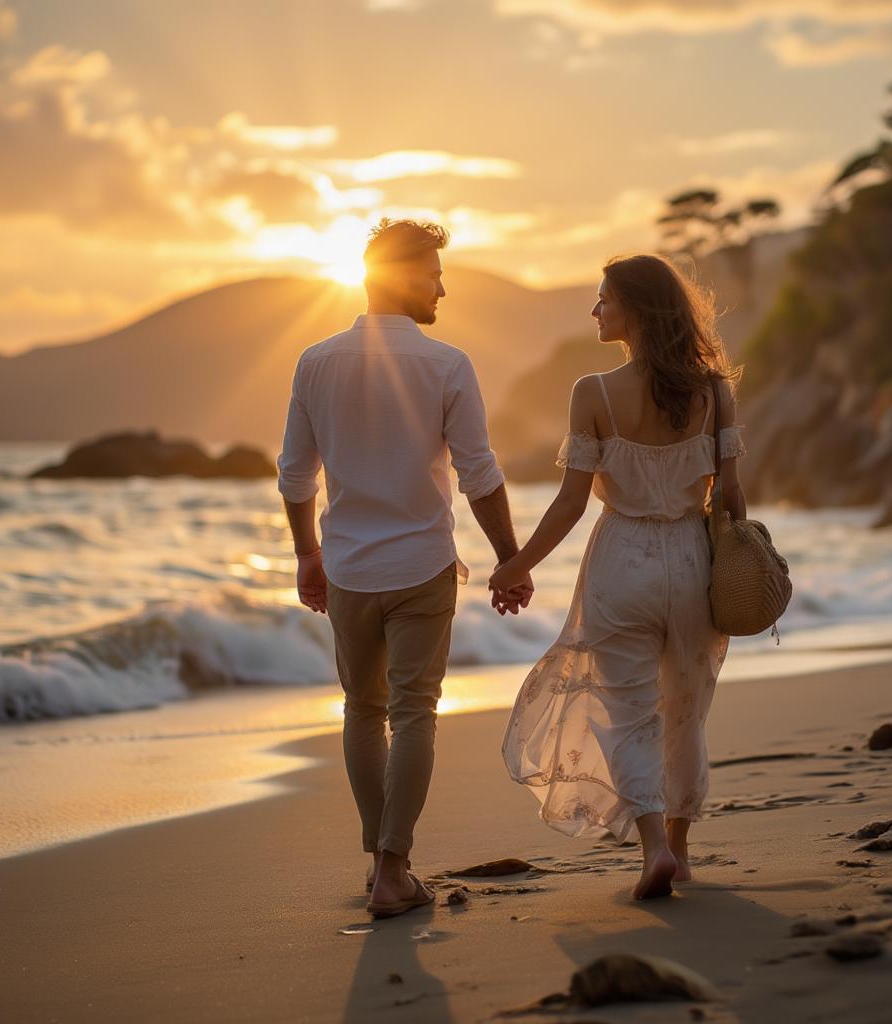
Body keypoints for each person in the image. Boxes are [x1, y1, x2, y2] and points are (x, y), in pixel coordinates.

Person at [276, 218, 532, 918]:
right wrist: (509, 557)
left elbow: (296, 477)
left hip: (351, 567)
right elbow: (479, 475)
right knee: (414, 711)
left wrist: (308, 553)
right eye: (432, 274)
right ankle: (393, 869)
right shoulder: (447, 365)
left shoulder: (314, 361)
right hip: (420, 564)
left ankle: (381, 864)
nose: (443, 288)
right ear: (396, 275)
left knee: (364, 711)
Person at [489, 254, 746, 899]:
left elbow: (573, 502)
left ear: (635, 308)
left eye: (605, 299)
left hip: (621, 562)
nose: (596, 310)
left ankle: (654, 848)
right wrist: (737, 563)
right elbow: (733, 499)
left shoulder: (593, 393)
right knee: (686, 709)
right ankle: (682, 855)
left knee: (627, 712)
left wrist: (519, 563)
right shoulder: (714, 392)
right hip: (692, 561)